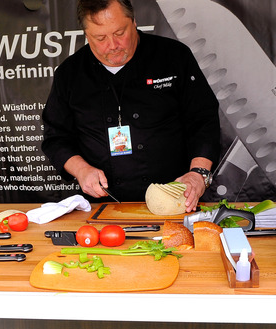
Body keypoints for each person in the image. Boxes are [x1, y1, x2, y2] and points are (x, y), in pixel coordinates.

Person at [41, 0, 220, 211]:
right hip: (102, 208)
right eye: (100, 38)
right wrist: (81, 170)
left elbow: (203, 120)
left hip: (178, 201)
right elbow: (56, 138)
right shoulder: (70, 74)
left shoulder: (173, 56)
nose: (113, 45)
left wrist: (198, 174)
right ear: (86, 35)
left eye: (119, 33)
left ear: (134, 22)